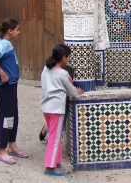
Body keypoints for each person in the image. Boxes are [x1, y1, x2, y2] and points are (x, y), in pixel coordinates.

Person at [0, 18, 29, 165]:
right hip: (6, 87)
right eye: (17, 29)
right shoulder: (4, 44)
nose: (18, 32)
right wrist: (2, 73)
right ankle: (1, 149)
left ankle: (12, 145)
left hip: (11, 86)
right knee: (5, 117)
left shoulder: (4, 43)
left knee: (12, 116)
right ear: (10, 31)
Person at [41, 44, 84, 176]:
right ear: (64, 57)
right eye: (69, 57)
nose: (69, 59)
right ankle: (50, 167)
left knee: (55, 136)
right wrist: (78, 92)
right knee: (55, 137)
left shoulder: (46, 69)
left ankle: (56, 162)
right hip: (56, 109)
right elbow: (72, 92)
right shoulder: (63, 73)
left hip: (46, 107)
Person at [39, 64, 75, 142]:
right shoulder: (61, 91)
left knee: (55, 125)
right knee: (56, 126)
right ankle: (49, 133)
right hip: (56, 110)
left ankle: (46, 129)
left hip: (51, 111)